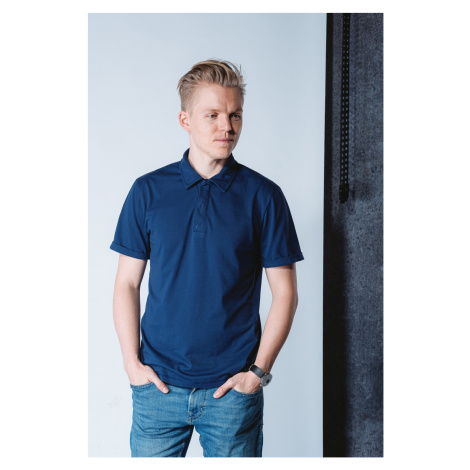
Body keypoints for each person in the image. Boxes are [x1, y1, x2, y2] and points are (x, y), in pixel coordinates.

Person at [110, 59, 304, 458]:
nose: (227, 127)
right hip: (158, 389)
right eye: (212, 115)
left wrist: (258, 374)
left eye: (235, 115)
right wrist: (132, 364)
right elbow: (127, 283)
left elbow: (285, 293)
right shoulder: (147, 191)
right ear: (185, 119)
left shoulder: (264, 196)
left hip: (232, 393)